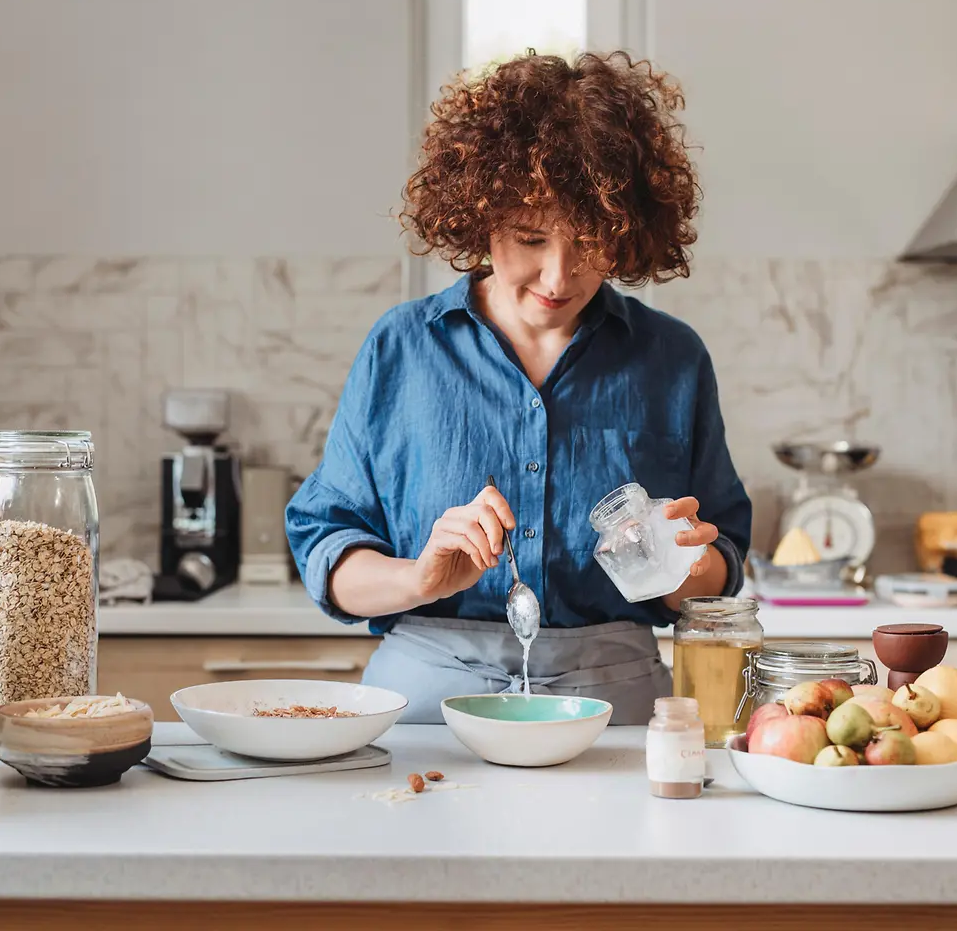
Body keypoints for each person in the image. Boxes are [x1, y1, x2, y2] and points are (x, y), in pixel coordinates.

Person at [286, 50, 751, 724]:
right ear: (480, 218)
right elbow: (327, 547)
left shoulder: (671, 358)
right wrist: (417, 576)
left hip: (615, 694)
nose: (558, 277)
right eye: (531, 238)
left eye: (589, 241)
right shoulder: (403, 348)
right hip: (425, 695)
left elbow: (720, 569)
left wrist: (690, 566)